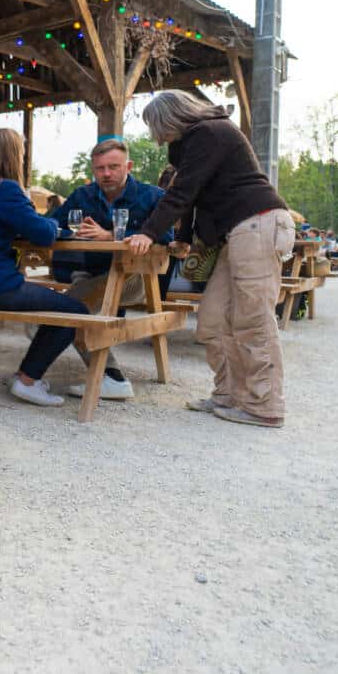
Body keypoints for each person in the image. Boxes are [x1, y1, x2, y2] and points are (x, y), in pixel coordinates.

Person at [125, 90, 291, 427]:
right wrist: (184, 239)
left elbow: (182, 192)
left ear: (169, 118)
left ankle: (265, 405)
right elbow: (194, 195)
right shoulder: (194, 141)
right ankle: (229, 395)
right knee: (213, 320)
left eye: (156, 127)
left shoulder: (209, 132)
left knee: (253, 318)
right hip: (239, 232)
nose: (155, 136)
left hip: (258, 222)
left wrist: (149, 232)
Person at [0, 128, 92, 407]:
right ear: (14, 156)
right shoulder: (6, 189)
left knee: (54, 299)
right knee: (75, 310)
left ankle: (26, 376)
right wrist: (55, 225)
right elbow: (43, 233)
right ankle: (28, 380)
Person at [49, 138, 172, 400]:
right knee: (56, 311)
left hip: (137, 279)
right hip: (92, 275)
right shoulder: (82, 196)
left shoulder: (152, 196)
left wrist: (110, 236)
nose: (106, 174)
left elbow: (165, 238)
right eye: (99, 168)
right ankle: (109, 376)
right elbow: (52, 224)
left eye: (113, 167)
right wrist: (66, 233)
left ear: (128, 165)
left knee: (67, 308)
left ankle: (111, 379)